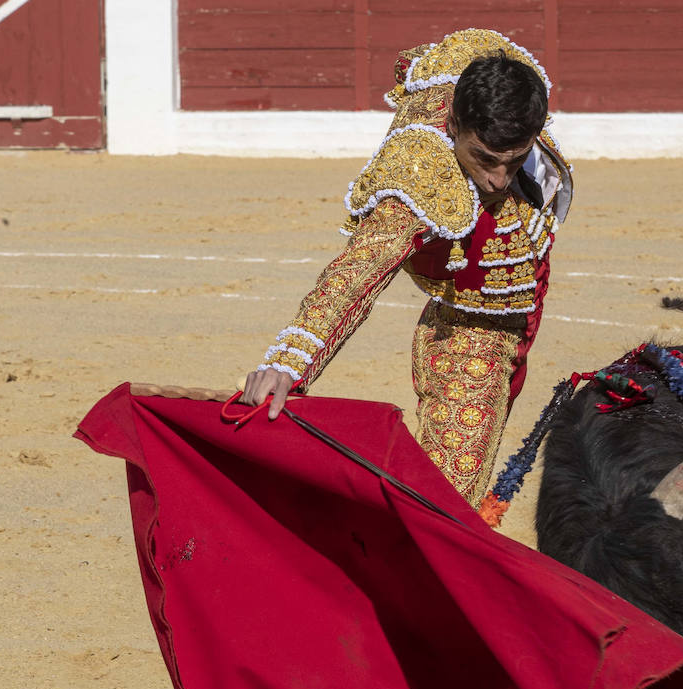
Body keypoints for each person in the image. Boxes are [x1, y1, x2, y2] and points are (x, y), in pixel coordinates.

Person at [240, 28, 573, 505]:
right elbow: (354, 275)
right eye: (484, 160)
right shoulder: (417, 175)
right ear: (454, 125)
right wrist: (285, 364)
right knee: (444, 507)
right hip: (470, 324)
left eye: (513, 160)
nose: (498, 180)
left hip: (521, 304)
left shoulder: (502, 89)